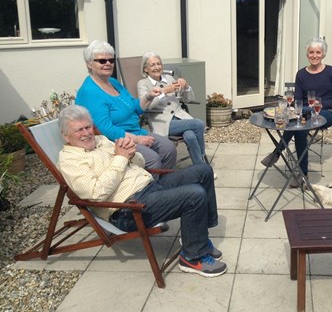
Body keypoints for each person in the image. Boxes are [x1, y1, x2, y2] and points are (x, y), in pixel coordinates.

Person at [57, 105, 226, 277]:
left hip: (150, 187)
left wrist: (131, 153)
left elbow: (139, 164)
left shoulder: (101, 141)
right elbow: (96, 193)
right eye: (79, 130)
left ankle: (199, 239)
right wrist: (121, 158)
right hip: (127, 209)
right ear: (65, 135)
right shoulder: (70, 161)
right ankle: (192, 257)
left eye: (88, 127)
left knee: (203, 171)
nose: (86, 133)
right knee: (194, 194)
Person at [75, 40, 176, 170]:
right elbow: (105, 129)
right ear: (89, 64)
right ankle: (149, 189)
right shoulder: (90, 92)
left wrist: (149, 96)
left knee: (169, 148)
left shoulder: (113, 82)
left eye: (111, 60)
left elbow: (134, 105)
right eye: (102, 61)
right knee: (152, 159)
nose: (108, 64)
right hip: (115, 142)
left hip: (135, 131)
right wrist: (137, 139)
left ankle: (165, 185)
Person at [261, 37, 332, 186]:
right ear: (307, 54)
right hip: (304, 112)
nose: (314, 55)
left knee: (299, 123)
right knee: (299, 128)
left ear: (323, 54)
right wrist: (293, 105)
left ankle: (277, 152)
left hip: (327, 113)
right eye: (311, 52)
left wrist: (321, 104)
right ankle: (302, 174)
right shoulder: (301, 74)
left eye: (318, 52)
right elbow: (298, 99)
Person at [137, 52, 209, 167]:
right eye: (153, 65)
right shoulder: (143, 84)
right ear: (145, 69)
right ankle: (204, 164)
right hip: (163, 122)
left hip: (180, 118)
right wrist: (164, 91)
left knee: (190, 136)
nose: (157, 67)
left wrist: (186, 87)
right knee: (198, 124)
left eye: (159, 64)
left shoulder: (169, 78)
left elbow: (189, 99)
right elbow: (146, 106)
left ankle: (200, 167)